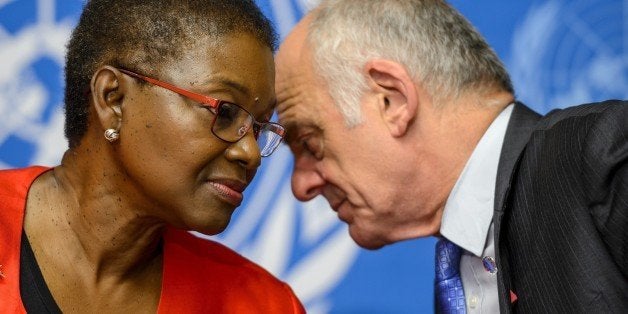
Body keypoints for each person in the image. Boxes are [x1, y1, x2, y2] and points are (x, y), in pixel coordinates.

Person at [275, 0, 627, 312]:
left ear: (392, 100)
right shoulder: (461, 272)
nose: (300, 185)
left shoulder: (606, 152)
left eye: (309, 143)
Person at [0, 0, 305, 313]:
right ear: (113, 99)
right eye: (225, 112)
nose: (251, 154)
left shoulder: (264, 305)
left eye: (257, 128)